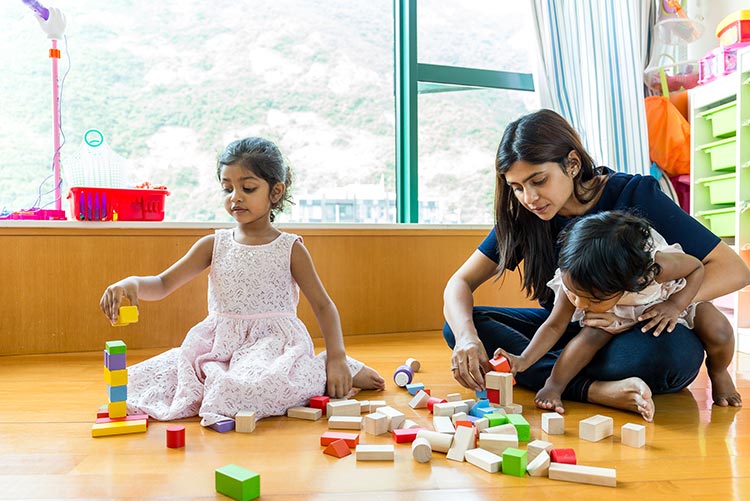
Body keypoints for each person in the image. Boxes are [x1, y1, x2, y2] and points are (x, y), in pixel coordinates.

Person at [443, 109, 750, 420]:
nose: (529, 197)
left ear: (573, 164)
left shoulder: (633, 195)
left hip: (634, 328)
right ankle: (594, 389)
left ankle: (557, 377)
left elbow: (734, 270)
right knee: (464, 328)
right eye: (517, 187)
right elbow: (460, 283)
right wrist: (468, 337)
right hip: (569, 327)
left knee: (672, 355)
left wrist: (649, 307)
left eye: (539, 180)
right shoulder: (523, 215)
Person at [100, 137, 385, 426]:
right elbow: (162, 284)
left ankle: (327, 367)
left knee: (249, 389)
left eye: (247, 188)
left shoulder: (290, 248)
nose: (235, 196)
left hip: (272, 345)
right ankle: (304, 373)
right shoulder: (214, 244)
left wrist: (337, 355)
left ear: (275, 192)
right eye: (227, 188)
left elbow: (323, 305)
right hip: (217, 344)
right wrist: (132, 283)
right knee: (146, 381)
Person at [499, 210, 741, 421]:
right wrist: (523, 360)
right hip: (616, 314)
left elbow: (696, 268)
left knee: (718, 329)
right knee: (587, 338)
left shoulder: (657, 268)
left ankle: (719, 371)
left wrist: (675, 305)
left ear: (634, 282)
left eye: (592, 299)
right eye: (575, 295)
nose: (580, 304)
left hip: (669, 299)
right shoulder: (572, 279)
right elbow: (554, 326)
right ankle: (555, 384)